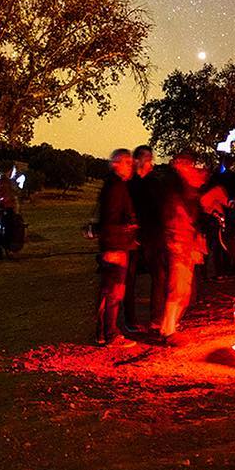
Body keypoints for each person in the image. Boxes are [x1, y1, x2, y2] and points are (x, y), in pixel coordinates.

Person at [155, 152, 209, 341]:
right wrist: (177, 241)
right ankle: (168, 330)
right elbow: (173, 216)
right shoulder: (172, 187)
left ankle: (170, 325)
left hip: (186, 241)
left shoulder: (186, 188)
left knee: (184, 291)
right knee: (177, 288)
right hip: (177, 242)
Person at [93, 149, 140, 343]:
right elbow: (111, 220)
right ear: (116, 164)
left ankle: (103, 334)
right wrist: (127, 229)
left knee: (108, 290)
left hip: (113, 244)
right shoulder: (116, 187)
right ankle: (111, 334)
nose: (131, 167)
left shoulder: (112, 185)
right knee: (114, 291)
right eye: (127, 163)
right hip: (116, 246)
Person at [126, 145, 162, 330]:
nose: (151, 163)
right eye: (148, 159)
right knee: (129, 279)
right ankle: (130, 320)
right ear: (138, 161)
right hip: (132, 237)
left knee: (158, 275)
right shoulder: (129, 183)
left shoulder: (153, 183)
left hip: (151, 237)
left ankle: (156, 318)